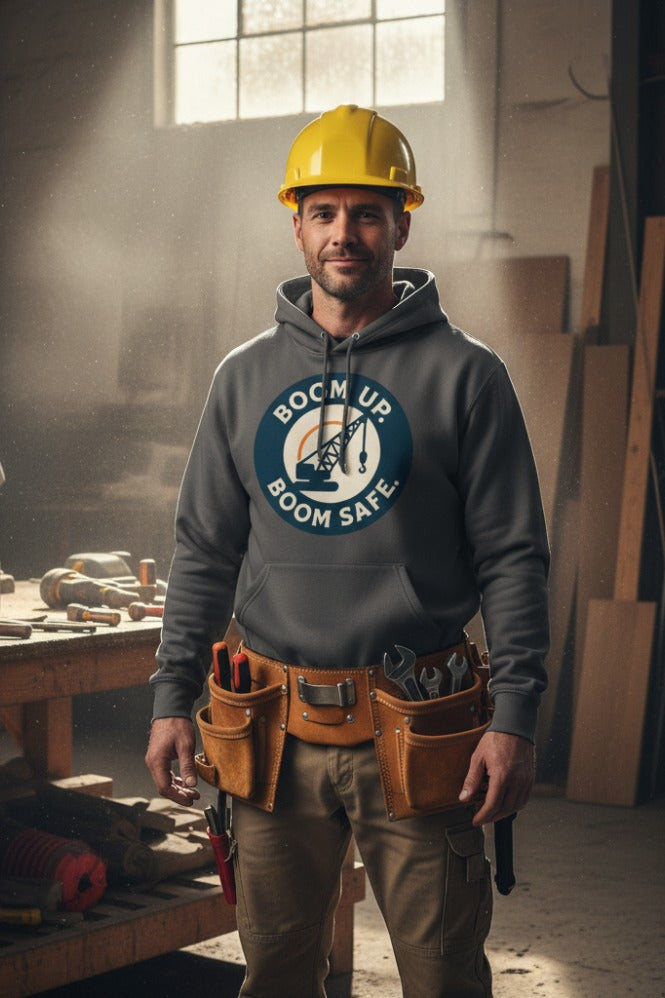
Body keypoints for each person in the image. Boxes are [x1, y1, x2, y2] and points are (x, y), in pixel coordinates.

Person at [145, 104, 549, 998]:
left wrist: (515, 715)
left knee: (441, 977)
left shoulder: (467, 375)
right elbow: (204, 549)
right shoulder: (243, 377)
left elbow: (513, 555)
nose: (344, 234)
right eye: (323, 212)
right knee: (277, 973)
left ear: (402, 223)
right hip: (270, 732)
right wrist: (173, 698)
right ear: (295, 225)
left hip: (419, 726)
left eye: (367, 213)